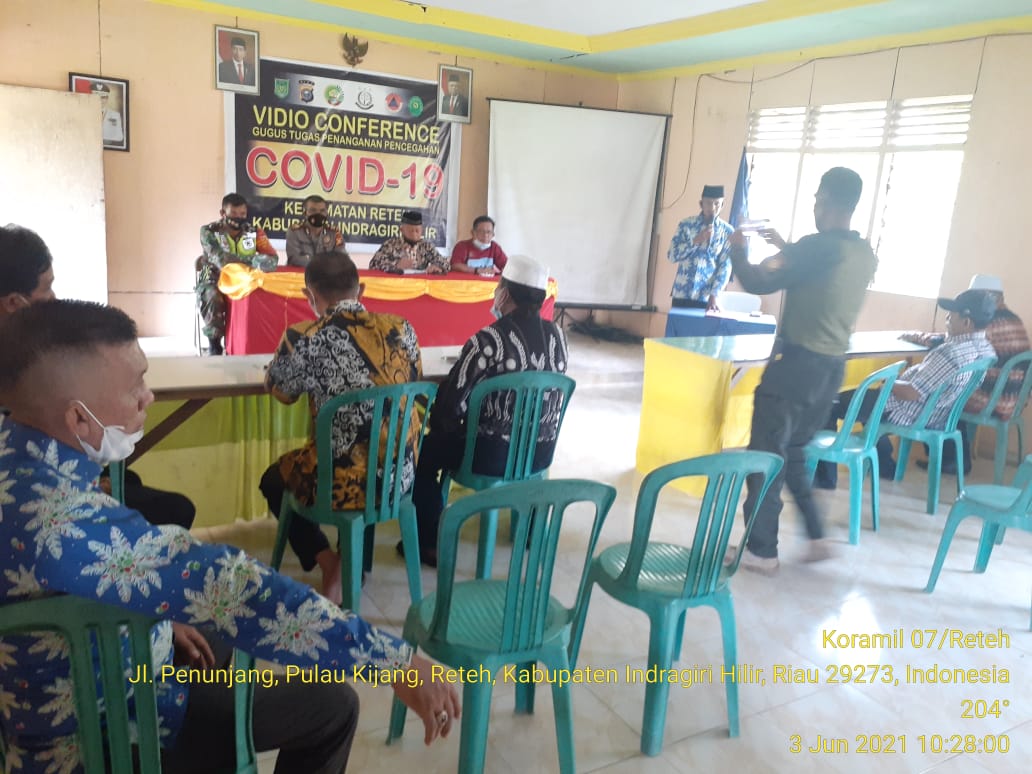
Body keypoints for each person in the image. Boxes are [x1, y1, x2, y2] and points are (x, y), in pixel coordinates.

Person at [0, 299, 459, 773]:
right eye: (134, 386)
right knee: (332, 705)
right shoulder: (68, 525)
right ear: (78, 419)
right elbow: (239, 591)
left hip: (62, 679)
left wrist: (156, 620)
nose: (148, 397)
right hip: (106, 732)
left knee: (213, 641)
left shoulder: (15, 458)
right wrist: (394, 662)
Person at [725, 167, 879, 574]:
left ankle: (761, 550)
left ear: (824, 199)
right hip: (830, 371)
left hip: (794, 369)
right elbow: (819, 272)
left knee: (765, 454)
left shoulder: (815, 247)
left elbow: (757, 281)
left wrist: (737, 249)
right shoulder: (863, 253)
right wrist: (788, 248)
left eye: (816, 198)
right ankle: (816, 536)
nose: (814, 205)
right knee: (793, 454)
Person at [0, 223, 195, 530]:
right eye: (47, 287)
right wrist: (86, 484)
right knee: (174, 508)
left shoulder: (28, 348)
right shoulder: (26, 362)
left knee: (129, 479)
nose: (54, 297)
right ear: (14, 303)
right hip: (36, 486)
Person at [259, 252, 422, 604]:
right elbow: (412, 383)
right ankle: (349, 562)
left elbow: (283, 392)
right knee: (364, 449)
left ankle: (329, 562)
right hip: (400, 477)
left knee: (274, 479)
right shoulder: (402, 328)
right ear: (361, 290)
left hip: (344, 486)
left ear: (309, 296)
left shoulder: (304, 336)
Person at [410, 255, 568, 565]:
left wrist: (434, 415)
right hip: (540, 453)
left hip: (490, 456)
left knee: (420, 454)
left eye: (498, 288)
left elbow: (450, 407)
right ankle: (529, 532)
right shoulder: (559, 337)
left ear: (505, 294)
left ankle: (430, 543)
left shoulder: (488, 340)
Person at [902, 274, 1030, 475]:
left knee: (943, 394)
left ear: (988, 297)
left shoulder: (988, 321)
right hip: (1015, 399)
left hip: (994, 400)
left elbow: (948, 341)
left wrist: (914, 335)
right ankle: (954, 459)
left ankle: (949, 460)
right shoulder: (1014, 320)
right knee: (954, 386)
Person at [198, 193, 279, 355]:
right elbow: (220, 259)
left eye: (242, 214)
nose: (239, 218)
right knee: (211, 294)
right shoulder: (209, 231)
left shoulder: (254, 231)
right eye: (234, 213)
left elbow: (272, 258)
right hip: (212, 272)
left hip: (244, 277)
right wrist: (254, 260)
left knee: (260, 294)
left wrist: (252, 262)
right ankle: (214, 342)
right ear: (223, 213)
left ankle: (245, 341)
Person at [667, 184, 734, 312]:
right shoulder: (686, 225)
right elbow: (671, 256)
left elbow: (725, 266)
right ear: (701, 204)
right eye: (708, 203)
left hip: (706, 297)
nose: (712, 208)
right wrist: (695, 241)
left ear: (722, 205)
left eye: (717, 204)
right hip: (682, 292)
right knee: (677, 325)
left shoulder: (727, 232)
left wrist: (714, 295)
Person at [369, 210, 449, 274]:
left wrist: (437, 267)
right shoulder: (391, 245)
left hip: (420, 286)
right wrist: (396, 265)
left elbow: (446, 265)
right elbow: (373, 264)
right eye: (411, 230)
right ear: (402, 230)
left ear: (422, 231)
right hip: (396, 286)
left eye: (417, 231)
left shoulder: (426, 247)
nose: (414, 234)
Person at [285, 195, 347, 267]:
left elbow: (342, 257)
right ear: (305, 213)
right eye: (313, 210)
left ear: (327, 213)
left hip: (328, 272)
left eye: (322, 211)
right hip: (301, 272)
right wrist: (323, 263)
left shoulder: (335, 232)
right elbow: (294, 258)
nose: (318, 214)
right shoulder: (294, 231)